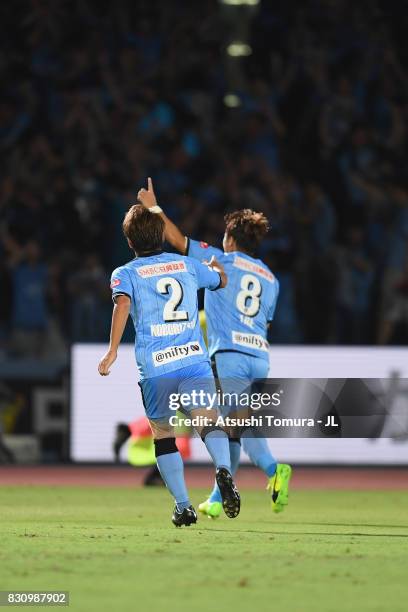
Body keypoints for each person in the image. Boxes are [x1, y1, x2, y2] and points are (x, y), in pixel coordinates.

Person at [138, 178, 292, 518]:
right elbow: (266, 324)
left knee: (224, 426)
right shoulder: (271, 278)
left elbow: (177, 241)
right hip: (260, 357)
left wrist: (154, 208)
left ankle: (273, 469)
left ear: (231, 238)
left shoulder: (221, 259)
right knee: (234, 426)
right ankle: (216, 500)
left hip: (230, 356)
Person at [98, 204, 240, 526]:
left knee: (163, 435)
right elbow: (221, 281)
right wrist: (217, 265)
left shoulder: (125, 274)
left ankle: (183, 505)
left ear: (130, 241)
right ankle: (222, 469)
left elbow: (122, 306)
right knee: (209, 423)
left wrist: (112, 352)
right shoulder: (186, 265)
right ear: (161, 234)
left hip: (156, 366)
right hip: (193, 361)